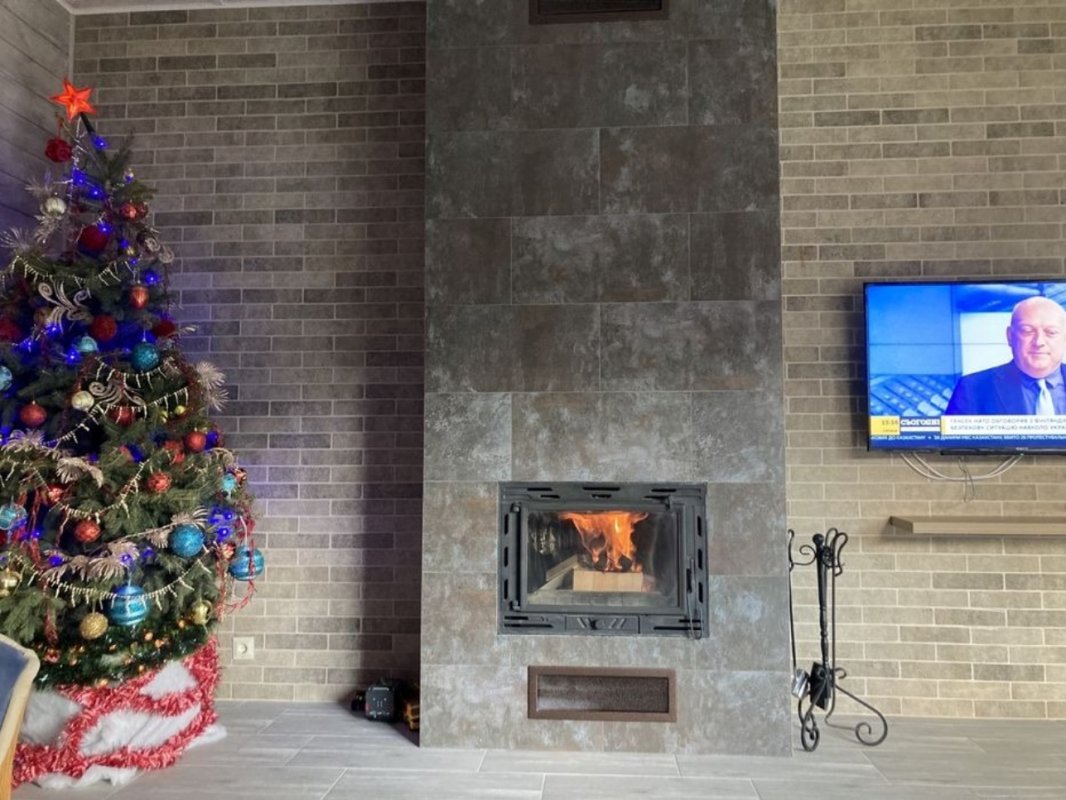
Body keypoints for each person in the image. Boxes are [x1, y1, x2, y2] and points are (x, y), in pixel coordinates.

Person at [946, 295, 1066, 415]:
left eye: (1051, 332)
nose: (1039, 342)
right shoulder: (972, 388)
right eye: (1027, 331)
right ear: (1009, 336)